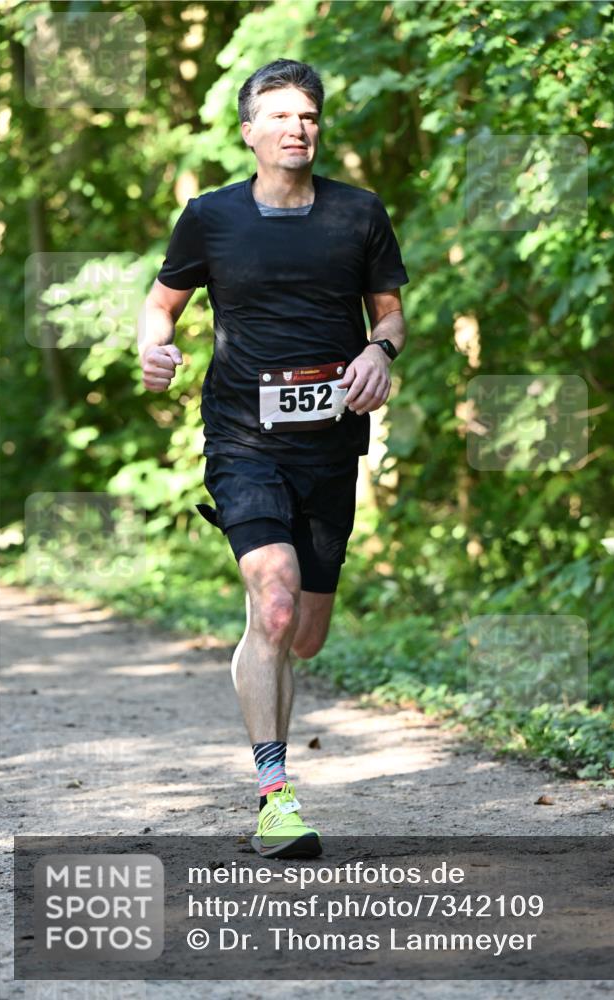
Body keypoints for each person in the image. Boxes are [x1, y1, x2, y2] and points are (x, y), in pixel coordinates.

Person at [137, 58, 409, 859]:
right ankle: (274, 793)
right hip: (241, 439)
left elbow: (390, 315)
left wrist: (377, 354)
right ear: (250, 130)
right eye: (282, 116)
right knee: (277, 604)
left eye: (310, 116)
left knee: (306, 634)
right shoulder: (210, 217)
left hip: (329, 446)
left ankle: (262, 655)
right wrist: (156, 351)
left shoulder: (357, 214)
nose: (298, 128)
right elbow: (161, 306)